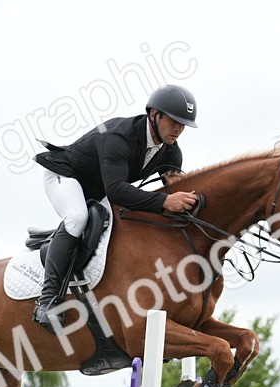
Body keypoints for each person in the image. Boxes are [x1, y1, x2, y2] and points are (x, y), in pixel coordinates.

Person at [32, 85, 200, 332]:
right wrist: (164, 202)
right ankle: (46, 301)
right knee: (77, 217)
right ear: (154, 115)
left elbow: (174, 190)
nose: (178, 129)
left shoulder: (171, 152)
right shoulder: (119, 137)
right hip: (65, 176)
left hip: (98, 188)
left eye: (183, 124)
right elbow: (117, 191)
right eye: (174, 121)